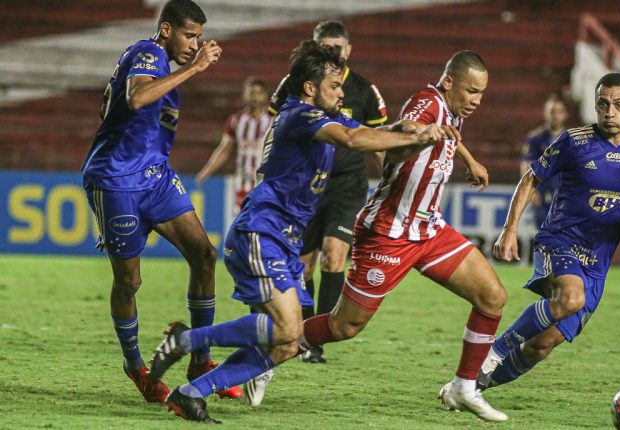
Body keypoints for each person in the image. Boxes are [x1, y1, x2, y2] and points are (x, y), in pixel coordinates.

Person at [147, 40, 445, 423]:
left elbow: (378, 137)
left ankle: (191, 393)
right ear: (309, 87)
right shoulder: (300, 116)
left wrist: (410, 134)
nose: (341, 92)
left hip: (284, 240)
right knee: (287, 327)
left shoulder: (322, 117)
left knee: (289, 343)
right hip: (261, 231)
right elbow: (355, 140)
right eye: (334, 86)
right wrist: (417, 136)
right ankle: (186, 341)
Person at [299, 51, 510, 422]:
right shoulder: (426, 101)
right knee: (342, 326)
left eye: (482, 93)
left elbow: (448, 131)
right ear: (449, 83)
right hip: (388, 232)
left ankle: (464, 386)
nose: (477, 99)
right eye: (471, 91)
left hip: (429, 230)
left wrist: (469, 160)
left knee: (492, 297)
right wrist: (416, 134)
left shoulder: (453, 111)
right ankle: (273, 348)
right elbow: (408, 127)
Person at [80, 0, 242, 402]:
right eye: (189, 35)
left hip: (156, 178)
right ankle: (136, 365)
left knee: (204, 255)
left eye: (199, 38)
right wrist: (195, 68)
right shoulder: (147, 52)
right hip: (117, 180)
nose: (195, 45)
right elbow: (135, 99)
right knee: (129, 280)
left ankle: (200, 358)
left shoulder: (164, 74)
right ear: (166, 30)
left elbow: (122, 109)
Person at [476, 73, 620, 395]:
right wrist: (509, 230)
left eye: (618, 104)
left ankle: (470, 388)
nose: (609, 111)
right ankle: (494, 350)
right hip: (559, 241)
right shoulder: (574, 141)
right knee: (570, 299)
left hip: (597, 265)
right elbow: (530, 179)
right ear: (595, 105)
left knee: (542, 345)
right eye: (603, 104)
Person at [269, 20, 389, 364]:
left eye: (338, 48)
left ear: (349, 50)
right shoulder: (297, 84)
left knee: (334, 257)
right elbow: (276, 127)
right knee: (304, 268)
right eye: (327, 47)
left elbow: (375, 141)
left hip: (347, 186)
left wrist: (387, 183)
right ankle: (300, 334)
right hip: (306, 188)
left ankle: (316, 341)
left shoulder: (365, 90)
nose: (333, 53)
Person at [196, 78, 273, 214]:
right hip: (242, 182)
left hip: (266, 181)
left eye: (259, 93)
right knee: (242, 222)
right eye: (251, 92)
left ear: (266, 96)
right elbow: (225, 149)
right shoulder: (236, 120)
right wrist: (206, 171)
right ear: (244, 95)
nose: (255, 96)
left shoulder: (273, 121)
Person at [519, 94, 569, 262]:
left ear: (565, 114)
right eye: (552, 111)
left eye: (559, 111)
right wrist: (530, 191)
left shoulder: (572, 138)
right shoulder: (536, 138)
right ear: (546, 113)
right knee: (544, 232)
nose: (556, 115)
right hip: (543, 192)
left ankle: (562, 269)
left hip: (566, 194)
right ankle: (546, 270)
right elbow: (527, 164)